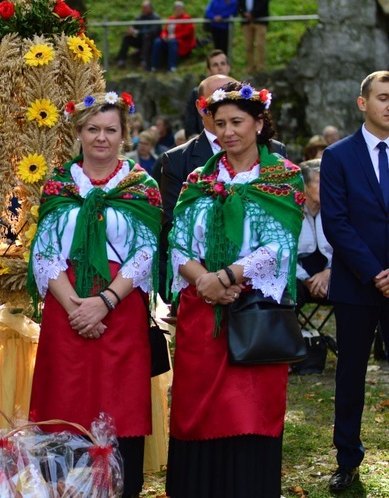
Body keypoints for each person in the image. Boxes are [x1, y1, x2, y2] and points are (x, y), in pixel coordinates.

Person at [165, 81, 304, 498]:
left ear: (259, 123)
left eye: (237, 122)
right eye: (219, 122)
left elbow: (280, 243)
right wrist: (203, 281)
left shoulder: (285, 176)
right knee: (196, 406)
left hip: (254, 310)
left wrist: (224, 278)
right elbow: (177, 242)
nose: (227, 131)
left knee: (249, 407)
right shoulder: (196, 179)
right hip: (201, 312)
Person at [27, 91, 161, 497]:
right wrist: (74, 307)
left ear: (125, 134)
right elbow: (45, 251)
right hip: (65, 311)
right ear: (79, 133)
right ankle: (64, 487)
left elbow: (146, 252)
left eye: (110, 130)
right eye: (92, 129)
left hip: (120, 312)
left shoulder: (142, 185)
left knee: (120, 404)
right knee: (64, 400)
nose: (101, 138)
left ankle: (123, 486)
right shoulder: (57, 184)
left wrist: (103, 302)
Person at [320, 70, 389, 493]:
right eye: (383, 97)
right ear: (363, 103)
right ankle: (347, 458)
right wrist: (376, 274)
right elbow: (336, 222)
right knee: (350, 376)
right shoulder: (338, 155)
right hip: (356, 285)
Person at [295, 159, 331, 309]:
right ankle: (292, 333)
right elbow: (283, 253)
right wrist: (305, 279)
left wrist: (329, 273)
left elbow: (345, 249)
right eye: (318, 183)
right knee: (289, 292)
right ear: (304, 186)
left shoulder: (335, 211)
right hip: (298, 278)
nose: (326, 188)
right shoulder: (292, 213)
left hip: (331, 275)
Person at [184, 50, 231, 139]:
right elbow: (190, 129)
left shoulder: (241, 93)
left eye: (223, 63)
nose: (220, 68)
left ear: (228, 67)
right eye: (215, 65)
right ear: (209, 70)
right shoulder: (197, 94)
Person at [150, 1, 196, 73]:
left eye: (179, 9)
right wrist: (164, 36)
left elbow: (188, 32)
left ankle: (172, 66)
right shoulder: (171, 18)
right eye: (176, 9)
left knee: (173, 42)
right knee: (157, 41)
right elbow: (165, 30)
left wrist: (175, 36)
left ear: (183, 9)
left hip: (181, 42)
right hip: (168, 39)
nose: (178, 10)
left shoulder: (186, 18)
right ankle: (154, 66)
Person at [116, 1, 161, 70]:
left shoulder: (156, 18)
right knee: (127, 38)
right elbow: (134, 26)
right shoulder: (139, 17)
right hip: (140, 40)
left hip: (151, 40)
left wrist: (138, 32)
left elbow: (154, 31)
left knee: (147, 37)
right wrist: (131, 30)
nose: (143, 9)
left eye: (145, 8)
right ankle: (121, 60)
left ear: (150, 8)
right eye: (142, 8)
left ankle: (144, 62)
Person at [239, 0, 269, 74]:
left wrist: (253, 14)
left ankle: (260, 68)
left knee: (260, 45)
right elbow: (239, 5)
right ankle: (251, 67)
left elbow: (263, 3)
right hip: (246, 22)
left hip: (260, 21)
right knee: (248, 46)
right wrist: (244, 13)